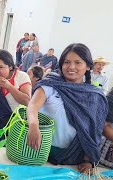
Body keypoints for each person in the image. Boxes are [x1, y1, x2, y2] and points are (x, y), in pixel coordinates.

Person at [27, 43, 108, 174]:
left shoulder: (94, 96)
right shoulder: (50, 84)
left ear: (88, 66)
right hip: (37, 152)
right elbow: (33, 105)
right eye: (67, 62)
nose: (71, 67)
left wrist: (88, 160)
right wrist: (33, 125)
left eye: (78, 63)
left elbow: (94, 130)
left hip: (73, 160)